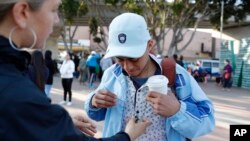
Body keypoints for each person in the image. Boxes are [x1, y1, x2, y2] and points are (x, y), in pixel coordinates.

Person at [0, 1, 151, 141]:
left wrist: (52, 120)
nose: (57, 19)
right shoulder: (15, 90)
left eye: (134, 58)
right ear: (22, 13)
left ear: (149, 46)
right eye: (53, 10)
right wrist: (127, 135)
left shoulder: (14, 78)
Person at [85, 13, 215, 141]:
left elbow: (208, 120)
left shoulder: (178, 75)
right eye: (120, 59)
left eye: (134, 58)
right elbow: (96, 114)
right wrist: (94, 102)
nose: (127, 67)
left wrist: (177, 110)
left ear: (150, 45)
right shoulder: (111, 75)